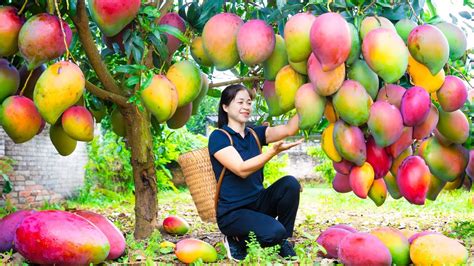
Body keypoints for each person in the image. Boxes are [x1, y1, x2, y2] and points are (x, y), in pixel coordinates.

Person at [208, 84, 304, 261]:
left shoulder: (255, 133)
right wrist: (271, 152)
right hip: (233, 213)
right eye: (240, 102)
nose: (246, 107)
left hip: (258, 203)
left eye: (249, 102)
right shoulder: (219, 137)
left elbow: (289, 129)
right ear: (225, 107)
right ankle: (237, 239)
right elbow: (241, 169)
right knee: (274, 232)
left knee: (290, 184)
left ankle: (282, 240)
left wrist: (309, 96)